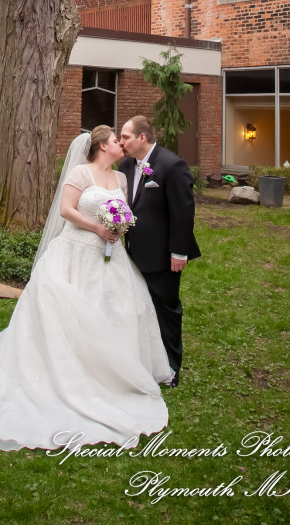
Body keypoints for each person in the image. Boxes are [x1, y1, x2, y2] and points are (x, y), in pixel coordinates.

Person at [0, 125, 172, 451]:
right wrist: (97, 226)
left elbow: (123, 211)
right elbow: (66, 210)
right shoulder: (81, 173)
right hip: (76, 253)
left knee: (115, 309)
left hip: (111, 257)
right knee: (72, 314)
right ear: (100, 146)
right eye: (115, 140)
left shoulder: (121, 179)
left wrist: (118, 227)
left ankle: (114, 372)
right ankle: (74, 373)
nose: (120, 144)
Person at [119, 115, 201, 388]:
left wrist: (179, 252)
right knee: (138, 310)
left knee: (166, 310)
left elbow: (183, 213)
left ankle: (171, 367)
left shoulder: (172, 165)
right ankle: (145, 361)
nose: (121, 142)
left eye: (125, 137)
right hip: (130, 253)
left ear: (142, 138)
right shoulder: (126, 165)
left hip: (162, 255)